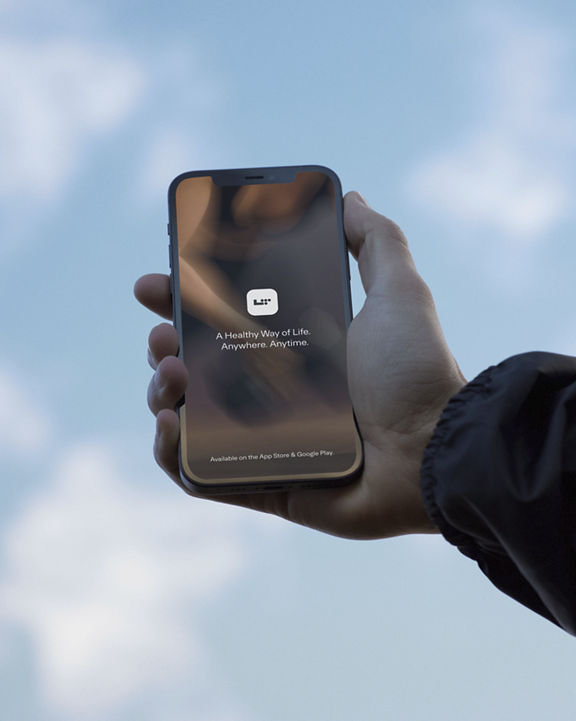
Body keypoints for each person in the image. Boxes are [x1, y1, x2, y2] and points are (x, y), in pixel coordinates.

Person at [134, 191, 576, 636]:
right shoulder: (211, 211)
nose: (280, 209)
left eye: (294, 208)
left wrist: (429, 442)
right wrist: (428, 446)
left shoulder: (284, 256)